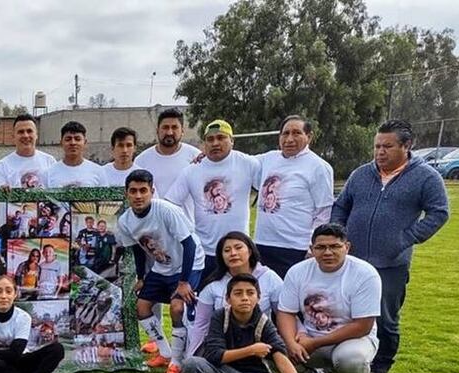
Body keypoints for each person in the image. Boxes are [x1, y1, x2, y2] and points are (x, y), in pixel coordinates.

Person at [331, 119, 449, 373]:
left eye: (387, 146)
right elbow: (341, 206)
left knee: (385, 317)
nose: (380, 152)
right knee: (345, 310)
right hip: (352, 260)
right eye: (377, 146)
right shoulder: (361, 174)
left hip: (391, 263)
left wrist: (405, 239)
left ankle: (380, 367)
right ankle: (344, 360)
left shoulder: (426, 177)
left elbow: (439, 212)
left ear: (407, 146)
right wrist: (339, 236)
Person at [276, 223, 382, 373]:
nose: (327, 252)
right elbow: (286, 312)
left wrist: (315, 343)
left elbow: (363, 326)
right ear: (311, 249)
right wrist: (291, 343)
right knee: (275, 348)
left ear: (347, 247)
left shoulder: (365, 274)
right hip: (310, 336)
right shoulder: (298, 271)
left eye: (334, 246)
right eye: (320, 247)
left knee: (351, 359)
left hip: (354, 339)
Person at [181, 274, 309, 373]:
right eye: (238, 293)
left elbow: (281, 358)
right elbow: (215, 356)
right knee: (192, 364)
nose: (245, 298)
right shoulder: (220, 317)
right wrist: (250, 350)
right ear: (228, 299)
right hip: (224, 372)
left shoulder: (264, 323)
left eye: (250, 293)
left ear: (258, 298)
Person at [114, 170, 205, 373]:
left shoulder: (166, 210)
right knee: (141, 307)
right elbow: (137, 250)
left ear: (152, 191)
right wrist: (141, 277)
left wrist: (184, 282)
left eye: (143, 190)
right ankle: (164, 352)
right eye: (133, 191)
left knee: (177, 307)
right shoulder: (125, 221)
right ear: (126, 194)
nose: (138, 196)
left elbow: (189, 244)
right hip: (162, 266)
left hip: (188, 264)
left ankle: (176, 363)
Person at [134, 108, 201, 355]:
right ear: (158, 130)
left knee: (181, 298)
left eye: (174, 127)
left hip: (183, 235)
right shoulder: (143, 159)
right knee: (151, 291)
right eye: (165, 127)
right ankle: (158, 343)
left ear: (182, 130)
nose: (169, 132)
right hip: (153, 238)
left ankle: (187, 345)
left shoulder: (195, 157)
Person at [166, 120, 260, 278]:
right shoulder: (191, 170)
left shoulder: (249, 164)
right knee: (204, 293)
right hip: (204, 252)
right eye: (210, 139)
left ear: (232, 140)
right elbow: (170, 205)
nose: (215, 143)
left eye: (221, 138)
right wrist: (185, 231)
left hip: (238, 251)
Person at [252, 115, 335, 277]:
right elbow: (238, 163)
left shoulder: (319, 167)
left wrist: (313, 246)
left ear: (309, 137)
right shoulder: (268, 159)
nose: (289, 139)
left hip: (295, 248)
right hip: (262, 244)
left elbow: (324, 212)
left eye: (296, 133)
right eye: (285, 133)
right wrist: (203, 156)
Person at [187, 232, 283, 360]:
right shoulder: (212, 285)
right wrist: (191, 357)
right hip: (223, 348)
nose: (233, 253)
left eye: (238, 248)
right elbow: (201, 325)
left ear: (250, 251)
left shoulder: (270, 278)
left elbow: (284, 315)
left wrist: (292, 343)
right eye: (227, 250)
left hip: (259, 346)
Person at [0, 114, 57, 187]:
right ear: (13, 136)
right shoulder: (2, 166)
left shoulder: (50, 162)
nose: (26, 135)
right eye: (21, 132)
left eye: (29, 131)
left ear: (36, 135)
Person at [45, 121, 109, 187]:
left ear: (85, 142)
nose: (73, 143)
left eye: (77, 139)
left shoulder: (98, 171)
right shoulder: (48, 173)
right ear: (61, 143)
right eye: (68, 139)